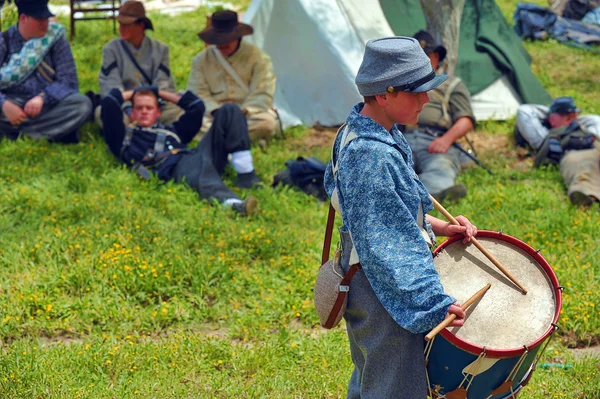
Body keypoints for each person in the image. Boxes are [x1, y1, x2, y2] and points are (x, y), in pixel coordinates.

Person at [324, 37, 477, 398]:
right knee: (393, 385)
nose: (426, 100)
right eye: (416, 91)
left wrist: (440, 225)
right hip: (383, 289)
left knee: (373, 376)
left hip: (373, 280)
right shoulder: (370, 156)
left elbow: (394, 210)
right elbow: (386, 247)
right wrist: (430, 303)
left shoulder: (366, 131)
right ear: (383, 94)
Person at [100, 85, 261, 215]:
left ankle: (246, 175)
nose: (144, 111)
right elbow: (109, 102)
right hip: (176, 167)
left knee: (229, 110)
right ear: (132, 112)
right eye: (139, 107)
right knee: (200, 172)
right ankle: (234, 205)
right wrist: (134, 93)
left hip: (198, 154)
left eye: (149, 107)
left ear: (158, 112)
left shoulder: (173, 131)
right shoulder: (124, 139)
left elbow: (196, 107)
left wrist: (158, 92)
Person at [0, 0, 91, 142]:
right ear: (23, 18)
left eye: (46, 19)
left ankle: (20, 133)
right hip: (12, 102)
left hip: (47, 105)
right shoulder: (4, 41)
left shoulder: (55, 39)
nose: (45, 24)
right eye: (39, 19)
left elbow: (69, 81)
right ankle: (51, 132)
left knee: (82, 105)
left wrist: (43, 97)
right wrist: (4, 104)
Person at [402, 30, 476, 202]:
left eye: (425, 55)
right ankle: (416, 196)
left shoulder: (452, 84)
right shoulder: (400, 84)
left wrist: (446, 140)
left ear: (435, 57)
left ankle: (426, 196)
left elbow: (466, 119)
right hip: (402, 138)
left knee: (441, 168)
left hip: (435, 140)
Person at [187, 10, 278, 140]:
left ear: (237, 37)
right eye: (218, 42)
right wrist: (216, 112)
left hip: (247, 114)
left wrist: (242, 113)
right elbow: (198, 92)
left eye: (226, 41)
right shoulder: (201, 60)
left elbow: (262, 92)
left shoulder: (259, 58)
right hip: (213, 114)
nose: (222, 45)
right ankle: (238, 138)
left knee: (266, 123)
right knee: (188, 120)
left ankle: (217, 138)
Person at [97, 0, 180, 126]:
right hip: (124, 105)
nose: (121, 29)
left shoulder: (161, 49)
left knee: (179, 112)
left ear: (141, 25)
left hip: (154, 104)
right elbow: (112, 85)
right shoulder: (111, 49)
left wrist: (150, 109)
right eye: (120, 24)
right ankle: (143, 128)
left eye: (126, 25)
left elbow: (162, 84)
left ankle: (147, 126)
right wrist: (130, 110)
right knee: (102, 113)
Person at [517, 96, 600, 207]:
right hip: (575, 152)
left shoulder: (588, 127)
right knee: (584, 168)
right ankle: (588, 196)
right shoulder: (548, 136)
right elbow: (524, 111)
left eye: (572, 116)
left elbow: (595, 119)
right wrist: (551, 114)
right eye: (565, 116)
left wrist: (570, 118)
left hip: (595, 144)